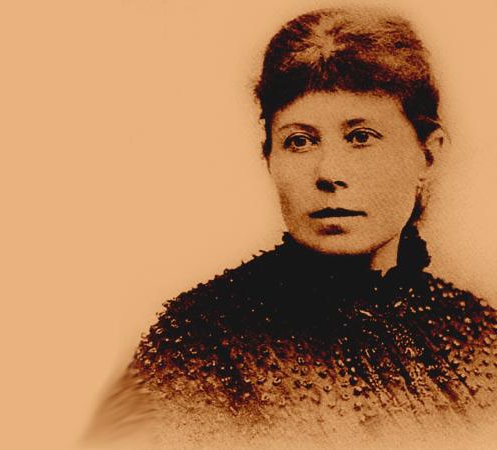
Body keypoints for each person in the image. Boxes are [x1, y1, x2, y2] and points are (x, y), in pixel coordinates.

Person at [86, 7, 497, 449]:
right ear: (269, 158)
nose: (329, 173)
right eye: (299, 141)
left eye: (360, 137)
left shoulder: (480, 334)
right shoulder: (197, 344)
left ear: (428, 154)